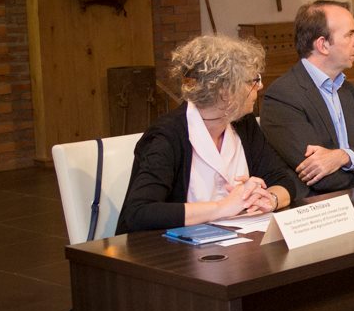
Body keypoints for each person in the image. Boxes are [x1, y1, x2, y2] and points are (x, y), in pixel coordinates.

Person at [118, 35, 295, 234]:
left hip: (239, 242)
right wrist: (223, 207)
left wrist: (269, 199)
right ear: (225, 91)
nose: (260, 86)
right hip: (176, 249)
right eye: (253, 81)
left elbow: (283, 179)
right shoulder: (167, 136)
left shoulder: (244, 123)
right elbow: (139, 213)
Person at [261, 0, 354, 196]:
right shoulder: (283, 96)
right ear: (323, 45)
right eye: (350, 34)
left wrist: (342, 157)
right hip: (319, 208)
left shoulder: (351, 92)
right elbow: (319, 178)